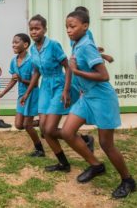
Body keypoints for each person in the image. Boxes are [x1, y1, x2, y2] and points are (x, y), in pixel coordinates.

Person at [59, 10, 136, 199]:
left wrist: (77, 72)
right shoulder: (77, 42)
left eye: (73, 26)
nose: (69, 30)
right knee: (67, 132)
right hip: (87, 97)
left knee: (106, 144)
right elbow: (88, 54)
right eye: (67, 26)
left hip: (102, 97)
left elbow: (104, 76)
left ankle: (128, 180)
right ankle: (96, 165)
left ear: (85, 26)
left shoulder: (85, 45)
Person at [21, 15, 92, 173]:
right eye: (31, 29)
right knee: (45, 131)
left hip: (59, 85)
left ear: (44, 29)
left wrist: (66, 90)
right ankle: (65, 162)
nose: (34, 32)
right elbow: (37, 72)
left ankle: (80, 143)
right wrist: (27, 92)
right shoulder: (32, 49)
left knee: (50, 128)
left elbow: (67, 68)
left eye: (37, 28)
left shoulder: (53, 45)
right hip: (45, 86)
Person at [0, 33, 44, 157]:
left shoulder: (32, 60)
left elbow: (35, 82)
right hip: (21, 97)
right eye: (13, 42)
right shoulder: (14, 61)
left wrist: (21, 80)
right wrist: (1, 94)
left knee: (27, 125)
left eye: (16, 42)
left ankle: (39, 149)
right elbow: (13, 80)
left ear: (25, 45)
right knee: (18, 125)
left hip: (32, 95)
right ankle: (38, 123)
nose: (13, 45)